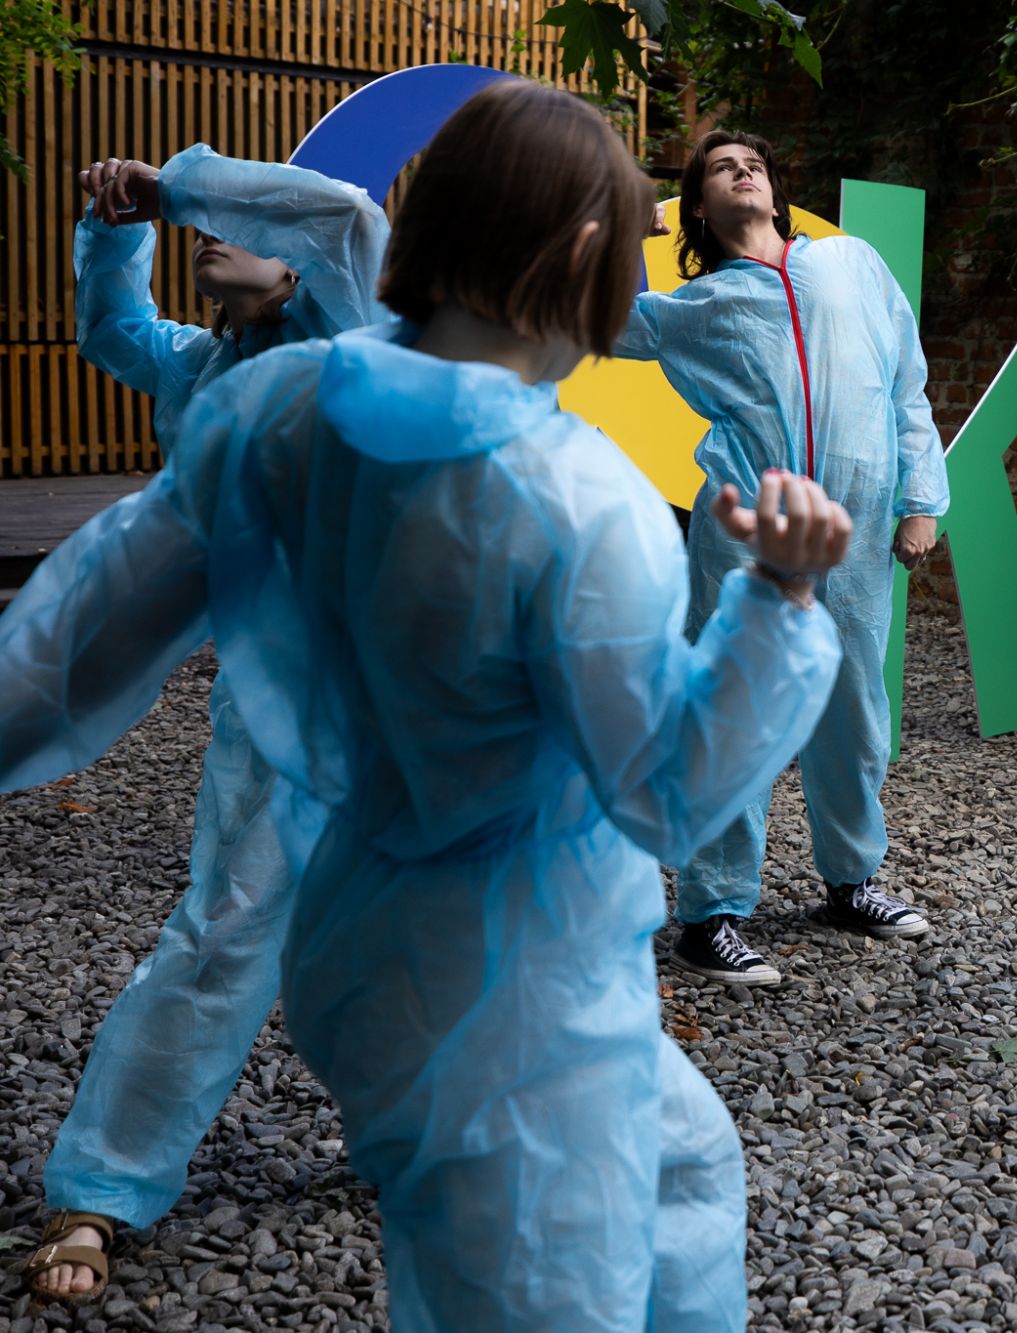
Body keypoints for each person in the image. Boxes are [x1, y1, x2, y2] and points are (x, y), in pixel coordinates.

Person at [0, 81, 849, 1328]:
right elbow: (668, 792)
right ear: (581, 254)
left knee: (682, 1163)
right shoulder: (577, 494)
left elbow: (60, 658)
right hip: (516, 990)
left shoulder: (269, 413)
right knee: (532, 1286)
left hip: (372, 924)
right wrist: (778, 599)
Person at [20, 144, 390, 1303]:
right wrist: (120, 225)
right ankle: (105, 1184)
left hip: (411, 681)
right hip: (278, 695)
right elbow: (110, 328)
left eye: (239, 226)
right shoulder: (196, 366)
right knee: (230, 921)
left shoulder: (354, 334)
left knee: (421, 924)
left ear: (299, 272)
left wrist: (174, 185)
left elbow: (333, 209)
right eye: (202, 229)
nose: (211, 239)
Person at [614, 130, 949, 988]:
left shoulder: (852, 265)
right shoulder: (698, 304)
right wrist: (635, 222)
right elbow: (598, 321)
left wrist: (922, 499)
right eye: (721, 167)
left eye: (754, 161)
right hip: (749, 532)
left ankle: (851, 881)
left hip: (859, 530)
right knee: (736, 706)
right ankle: (712, 914)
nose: (745, 170)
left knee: (854, 707)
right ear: (697, 204)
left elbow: (906, 379)